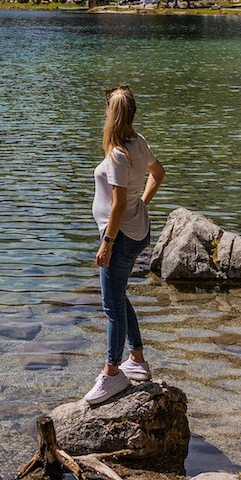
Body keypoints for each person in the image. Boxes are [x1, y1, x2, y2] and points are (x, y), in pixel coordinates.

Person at [85, 85, 166, 406]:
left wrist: (107, 242)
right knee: (119, 296)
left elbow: (118, 204)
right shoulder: (138, 142)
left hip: (119, 237)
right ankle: (137, 360)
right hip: (137, 231)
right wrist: (142, 204)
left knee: (110, 305)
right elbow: (158, 174)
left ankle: (112, 373)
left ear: (111, 114)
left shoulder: (119, 153)